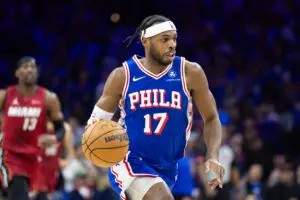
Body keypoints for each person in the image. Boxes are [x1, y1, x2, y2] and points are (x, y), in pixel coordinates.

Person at [86, 15, 225, 200]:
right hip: (129, 160)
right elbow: (94, 124)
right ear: (146, 41)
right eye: (164, 39)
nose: (172, 45)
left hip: (167, 167)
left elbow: (212, 118)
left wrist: (213, 156)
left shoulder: (190, 73)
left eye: (174, 39)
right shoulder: (123, 76)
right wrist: (104, 143)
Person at [0, 56, 65, 200]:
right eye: (25, 66)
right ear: (17, 73)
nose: (29, 69)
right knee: (19, 189)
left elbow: (61, 129)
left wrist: (53, 138)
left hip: (36, 158)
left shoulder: (49, 98)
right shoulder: (5, 96)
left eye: (33, 67)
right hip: (10, 156)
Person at [35, 121, 76, 199]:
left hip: (52, 170)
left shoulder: (65, 128)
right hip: (36, 169)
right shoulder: (36, 122)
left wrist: (65, 162)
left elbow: (71, 155)